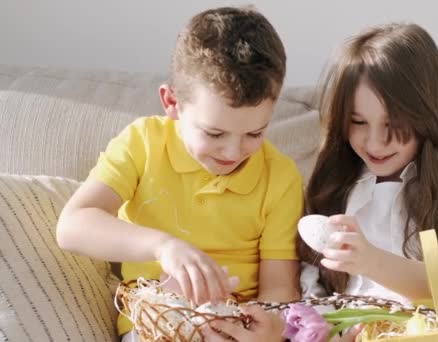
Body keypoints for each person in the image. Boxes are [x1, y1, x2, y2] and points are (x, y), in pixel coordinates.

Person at [57, 6, 301, 340]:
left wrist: (268, 331)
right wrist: (162, 247)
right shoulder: (143, 142)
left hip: (234, 330)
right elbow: (72, 226)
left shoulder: (281, 177)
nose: (233, 152)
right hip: (155, 326)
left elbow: (280, 291)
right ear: (171, 102)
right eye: (214, 134)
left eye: (255, 134)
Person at [298, 23, 438, 310]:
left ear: (428, 114)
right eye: (358, 121)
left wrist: (371, 261)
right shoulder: (338, 180)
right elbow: (309, 289)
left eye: (393, 123)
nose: (376, 143)